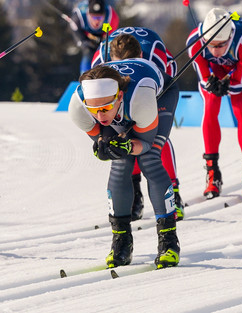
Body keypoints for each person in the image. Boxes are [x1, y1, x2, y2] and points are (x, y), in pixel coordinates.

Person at [68, 63, 180, 269]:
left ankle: (169, 241)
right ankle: (121, 240)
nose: (100, 116)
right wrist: (104, 147)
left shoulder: (141, 99)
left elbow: (144, 145)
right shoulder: (78, 108)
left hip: (159, 96)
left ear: (119, 96)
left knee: (150, 160)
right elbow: (102, 138)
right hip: (125, 104)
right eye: (94, 109)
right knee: (119, 163)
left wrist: (127, 145)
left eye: (104, 108)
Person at [92, 27, 185, 220]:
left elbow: (169, 85)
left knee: (155, 135)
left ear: (140, 56)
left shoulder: (156, 58)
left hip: (154, 86)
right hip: (116, 98)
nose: (123, 78)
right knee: (122, 137)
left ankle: (173, 192)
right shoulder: (99, 62)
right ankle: (135, 193)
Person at [186, 7, 242, 200]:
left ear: (230, 37)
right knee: (210, 108)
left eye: (221, 45)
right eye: (211, 45)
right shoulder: (194, 43)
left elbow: (241, 82)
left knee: (240, 108)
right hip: (214, 72)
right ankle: (212, 173)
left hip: (238, 72)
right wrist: (212, 84)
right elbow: (203, 77)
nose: (216, 50)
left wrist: (228, 85)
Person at [71, 0, 120, 74]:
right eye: (94, 17)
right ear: (88, 14)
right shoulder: (79, 16)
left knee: (107, 53)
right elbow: (77, 33)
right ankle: (85, 75)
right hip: (85, 34)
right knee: (88, 52)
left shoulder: (110, 17)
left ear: (104, 15)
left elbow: (109, 36)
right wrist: (85, 41)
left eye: (100, 17)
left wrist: (102, 40)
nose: (97, 20)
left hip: (102, 34)